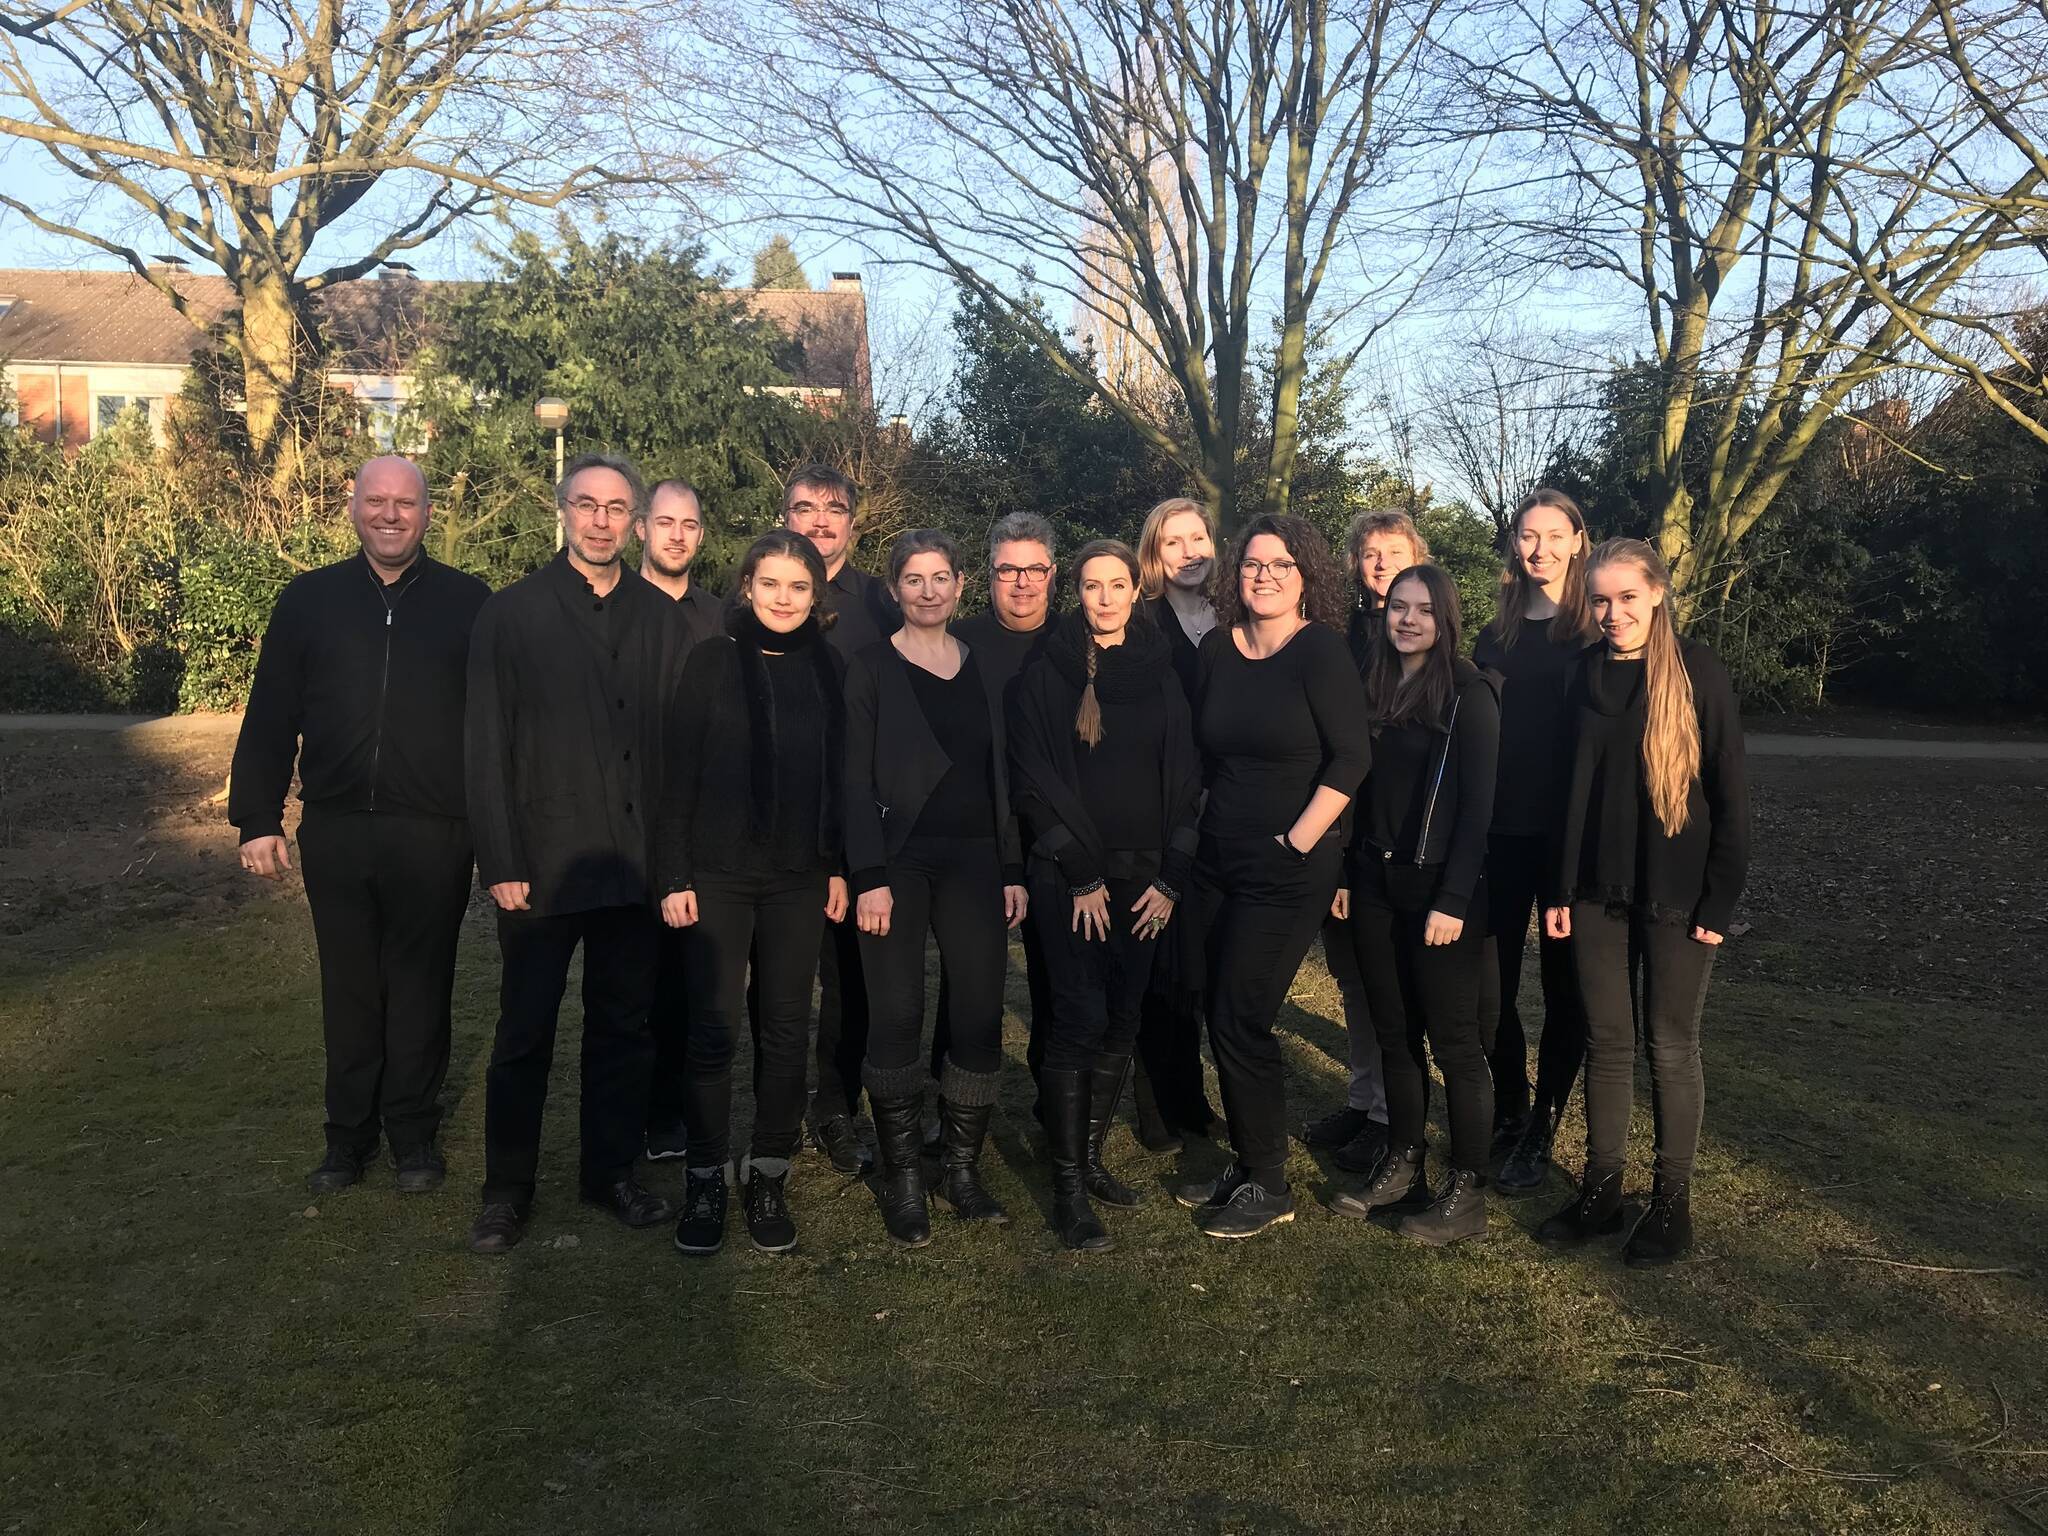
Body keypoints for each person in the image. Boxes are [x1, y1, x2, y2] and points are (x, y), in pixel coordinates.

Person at [230, 455, 490, 1196]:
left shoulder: (469, 603)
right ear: (352, 508)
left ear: (427, 513)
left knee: (420, 987)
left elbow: (499, 722)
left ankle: (412, 1135)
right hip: (338, 828)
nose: (390, 515)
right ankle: (346, 1139)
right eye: (376, 501)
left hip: (436, 830)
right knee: (349, 987)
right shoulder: (308, 601)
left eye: (405, 503)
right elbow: (272, 711)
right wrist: (257, 816)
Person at [463, 452, 686, 1254]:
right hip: (542, 865)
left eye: (616, 507)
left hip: (632, 867)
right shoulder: (512, 614)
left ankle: (611, 1172)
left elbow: (675, 753)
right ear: (562, 511)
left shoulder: (661, 621)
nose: (601, 520)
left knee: (624, 1029)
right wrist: (501, 860)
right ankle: (506, 1190)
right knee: (524, 1032)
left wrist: (672, 868)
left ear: (634, 520)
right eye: (586, 504)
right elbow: (485, 746)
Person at [1537, 538, 1750, 1267]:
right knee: (1607, 1042)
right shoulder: (1581, 674)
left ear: (1657, 592)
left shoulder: (1698, 673)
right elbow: (1565, 793)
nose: (1613, 612)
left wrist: (1718, 904)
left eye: (1628, 597)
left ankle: (1670, 1203)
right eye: (1600, 599)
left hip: (1678, 896)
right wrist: (1558, 888)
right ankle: (1601, 1191)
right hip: (1594, 891)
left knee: (1670, 1045)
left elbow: (1730, 797)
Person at [1176, 515, 1372, 1239]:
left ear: (1305, 574)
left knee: (1241, 1014)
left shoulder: (1318, 650)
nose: (1264, 575)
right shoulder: (1216, 651)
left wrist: (1296, 840)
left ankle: (1270, 1181)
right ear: (1236, 575)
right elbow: (1202, 753)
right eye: (1253, 564)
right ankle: (1249, 1160)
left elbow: (1351, 758)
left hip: (1288, 868)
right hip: (1215, 860)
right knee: (1215, 1009)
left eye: (1280, 564)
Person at [657, 531, 849, 1256]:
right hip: (717, 873)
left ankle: (767, 1169)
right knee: (712, 1031)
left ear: (815, 596)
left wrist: (834, 866)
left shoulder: (829, 670)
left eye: (798, 588)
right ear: (745, 586)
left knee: (785, 1028)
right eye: (770, 584)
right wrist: (673, 874)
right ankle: (705, 1174)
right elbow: (678, 775)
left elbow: (837, 779)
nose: (783, 598)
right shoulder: (710, 664)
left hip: (799, 875)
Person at [1008, 540, 1202, 1251]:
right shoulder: (1045, 675)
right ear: (1078, 593)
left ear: (1134, 589)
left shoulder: (1161, 676)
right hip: (1072, 879)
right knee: (1078, 1018)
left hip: (1147, 883)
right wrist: (1083, 874)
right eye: (1092, 586)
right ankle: (1065, 1188)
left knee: (1122, 1020)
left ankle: (1090, 1161)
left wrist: (1171, 879)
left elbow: (1187, 782)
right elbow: (1030, 781)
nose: (1106, 598)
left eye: (1118, 584)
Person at [845, 529, 1028, 1247]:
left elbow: (1001, 779)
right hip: (896, 865)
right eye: (913, 579)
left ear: (960, 586)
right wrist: (869, 877)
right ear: (894, 590)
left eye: (941, 577)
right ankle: (903, 1179)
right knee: (896, 1016)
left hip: (977, 860)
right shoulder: (868, 669)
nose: (928, 590)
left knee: (979, 1016)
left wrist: (1011, 867)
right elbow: (852, 783)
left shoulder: (982, 668)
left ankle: (959, 1170)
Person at [1327, 565, 1502, 1245]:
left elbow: (1478, 812)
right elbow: (1360, 789)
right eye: (1398, 607)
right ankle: (1403, 1162)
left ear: (1446, 617)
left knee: (1456, 1046)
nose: (1407, 620)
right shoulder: (1373, 683)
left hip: (1442, 894)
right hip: (1375, 882)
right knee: (1395, 1034)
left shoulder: (1469, 695)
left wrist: (1453, 898)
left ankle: (1468, 1191)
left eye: (1423, 609)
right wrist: (1347, 871)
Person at [1299, 508, 1435, 1174]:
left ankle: (1392, 1119)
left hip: (1395, 843)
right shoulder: (1339, 637)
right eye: (1369, 554)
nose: (1379, 563)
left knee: (1391, 989)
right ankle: (1363, 1102)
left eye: (1393, 552)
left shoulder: (1428, 647)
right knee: (1352, 981)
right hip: (1340, 836)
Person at [779, 462, 899, 1175]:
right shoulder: (764, 595)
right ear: (784, 517)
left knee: (851, 975)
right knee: (781, 978)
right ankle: (780, 1105)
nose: (820, 522)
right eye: (805, 509)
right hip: (780, 820)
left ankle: (836, 1106)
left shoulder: (882, 604)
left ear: (853, 520)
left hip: (856, 814)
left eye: (834, 510)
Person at [1477, 489, 1598, 1190]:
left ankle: (1544, 1123)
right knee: (1487, 986)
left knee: (1563, 988)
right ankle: (1511, 1103)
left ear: (1579, 541)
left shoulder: (1594, 631)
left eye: (1555, 535)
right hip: (1497, 832)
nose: (1541, 548)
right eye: (1528, 536)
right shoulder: (1496, 634)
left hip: (1568, 840)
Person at [940, 511, 1059, 1113]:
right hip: (977, 833)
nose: (1021, 582)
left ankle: (1052, 1102)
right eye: (1007, 569)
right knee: (968, 982)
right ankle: (950, 1106)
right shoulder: (957, 643)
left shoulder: (1076, 640)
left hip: (1055, 835)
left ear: (1052, 573)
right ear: (985, 576)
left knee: (1056, 980)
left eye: (1033, 569)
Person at [1130, 496, 1227, 1151]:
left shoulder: (1237, 617)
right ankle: (1157, 1102)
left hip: (1226, 808)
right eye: (1174, 543)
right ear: (1154, 555)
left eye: (1198, 539)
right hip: (1158, 807)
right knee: (1158, 962)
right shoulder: (1140, 623)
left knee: (1199, 964)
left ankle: (1189, 1096)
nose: (1189, 552)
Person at [637, 476, 724, 1162]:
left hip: (698, 825)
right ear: (642, 528)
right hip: (621, 819)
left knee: (689, 979)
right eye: (664, 521)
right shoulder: (614, 611)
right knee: (630, 981)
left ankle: (675, 1111)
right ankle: (637, 1106)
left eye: (688, 524)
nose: (676, 534)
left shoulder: (719, 620)